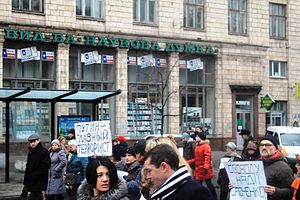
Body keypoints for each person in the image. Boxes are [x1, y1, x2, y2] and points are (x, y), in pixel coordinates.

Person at [143, 144, 213, 200]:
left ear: (164, 167)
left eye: (149, 171)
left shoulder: (196, 193)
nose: (147, 176)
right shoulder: (162, 192)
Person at [259, 135, 294, 200]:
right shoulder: (256, 164)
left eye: (268, 145)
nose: (263, 147)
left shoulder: (282, 167)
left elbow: (292, 191)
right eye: (261, 145)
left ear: (276, 149)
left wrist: (276, 191)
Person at [187, 131, 217, 200]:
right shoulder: (198, 146)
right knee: (200, 185)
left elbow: (207, 158)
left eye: (197, 136)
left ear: (201, 138)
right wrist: (188, 162)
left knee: (209, 184)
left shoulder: (206, 146)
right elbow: (197, 158)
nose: (196, 137)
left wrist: (205, 168)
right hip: (199, 169)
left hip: (204, 170)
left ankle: (214, 197)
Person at [23, 134, 51, 200]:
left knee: (36, 196)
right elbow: (28, 167)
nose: (32, 143)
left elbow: (46, 166)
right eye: (31, 142)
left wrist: (33, 176)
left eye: (34, 141)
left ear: (38, 140)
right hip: (32, 181)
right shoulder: (31, 151)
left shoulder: (43, 151)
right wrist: (26, 181)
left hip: (38, 181)